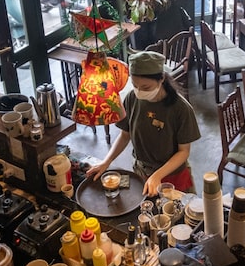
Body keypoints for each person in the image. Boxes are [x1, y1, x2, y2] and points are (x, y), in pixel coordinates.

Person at [86, 51, 201, 195]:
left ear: (162, 79)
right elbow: (124, 135)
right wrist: (106, 161)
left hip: (173, 176)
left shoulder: (181, 109)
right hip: (142, 171)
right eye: (135, 85)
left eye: (146, 87)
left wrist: (157, 175)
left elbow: (183, 152)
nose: (139, 92)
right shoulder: (132, 99)